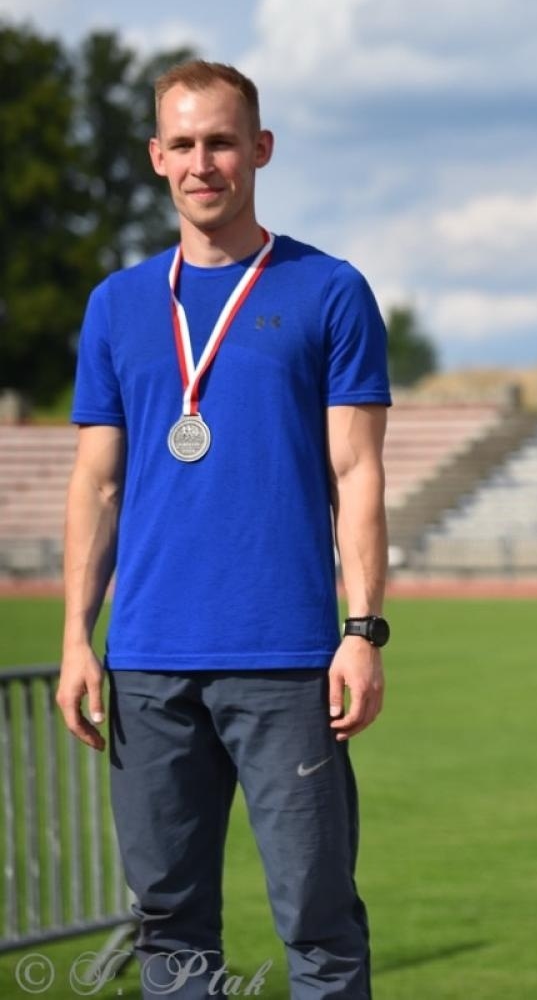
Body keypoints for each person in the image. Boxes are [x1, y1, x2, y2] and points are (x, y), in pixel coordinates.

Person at [57, 60, 392, 999]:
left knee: (318, 922)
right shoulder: (117, 304)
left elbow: (358, 473)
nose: (203, 163)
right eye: (184, 144)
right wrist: (76, 639)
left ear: (260, 149)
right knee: (168, 925)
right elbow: (98, 483)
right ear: (157, 157)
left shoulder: (329, 289)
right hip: (148, 663)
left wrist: (363, 632)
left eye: (222, 142)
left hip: (286, 662)